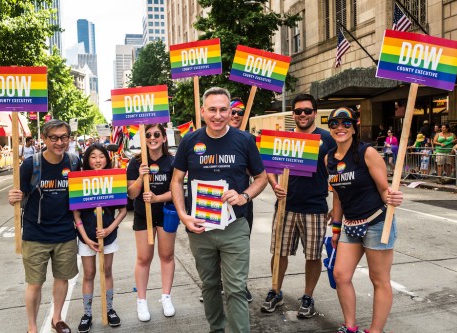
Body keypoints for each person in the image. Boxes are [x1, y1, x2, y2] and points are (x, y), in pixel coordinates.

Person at [170, 87, 268, 332]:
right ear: (203, 112)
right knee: (210, 285)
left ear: (230, 111)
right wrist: (183, 216)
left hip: (234, 227)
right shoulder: (190, 141)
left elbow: (261, 178)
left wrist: (244, 195)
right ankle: (217, 328)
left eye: (223, 109)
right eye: (212, 109)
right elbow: (176, 181)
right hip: (200, 228)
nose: (218, 115)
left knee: (235, 288)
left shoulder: (244, 140)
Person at [325, 107, 403, 333]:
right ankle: (350, 327)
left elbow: (384, 190)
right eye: (335, 124)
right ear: (330, 127)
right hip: (350, 225)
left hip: (376, 222)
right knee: (340, 275)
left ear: (354, 125)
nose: (340, 128)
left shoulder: (366, 152)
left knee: (378, 279)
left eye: (346, 123)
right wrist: (337, 229)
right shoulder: (328, 158)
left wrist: (393, 197)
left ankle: (376, 330)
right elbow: (338, 195)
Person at [260, 93, 336, 317]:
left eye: (307, 111)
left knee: (312, 256)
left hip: (314, 207)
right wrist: (275, 185)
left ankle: (308, 297)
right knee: (278, 253)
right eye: (298, 111)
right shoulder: (281, 137)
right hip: (286, 206)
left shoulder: (327, 139)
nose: (303, 115)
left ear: (315, 113)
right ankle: (275, 291)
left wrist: (337, 207)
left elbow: (338, 171)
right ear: (293, 114)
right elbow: (270, 169)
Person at [8, 119, 80, 333]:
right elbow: (16, 195)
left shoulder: (75, 162)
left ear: (69, 138)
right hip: (35, 234)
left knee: (62, 278)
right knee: (35, 283)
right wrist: (12, 197)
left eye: (64, 137)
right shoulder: (31, 164)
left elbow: (84, 193)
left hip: (65, 233)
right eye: (54, 138)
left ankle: (57, 318)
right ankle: (32, 327)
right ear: (44, 139)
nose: (59, 142)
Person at [74, 143, 127, 332]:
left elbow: (122, 211)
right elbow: (77, 215)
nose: (98, 160)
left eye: (102, 156)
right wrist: (86, 239)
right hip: (87, 237)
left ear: (107, 158)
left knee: (107, 271)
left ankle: (109, 309)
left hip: (109, 236)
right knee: (89, 274)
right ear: (87, 159)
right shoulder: (80, 181)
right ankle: (87, 313)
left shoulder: (114, 178)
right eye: (93, 157)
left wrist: (109, 229)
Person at [127, 123, 176, 322]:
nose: (153, 137)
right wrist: (141, 176)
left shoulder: (172, 162)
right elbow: (132, 194)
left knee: (166, 255)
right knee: (144, 258)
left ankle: (166, 297)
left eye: (157, 134)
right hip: (143, 215)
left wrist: (157, 198)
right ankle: (141, 301)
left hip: (166, 213)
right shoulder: (135, 162)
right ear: (143, 138)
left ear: (164, 138)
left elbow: (177, 191)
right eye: (148, 134)